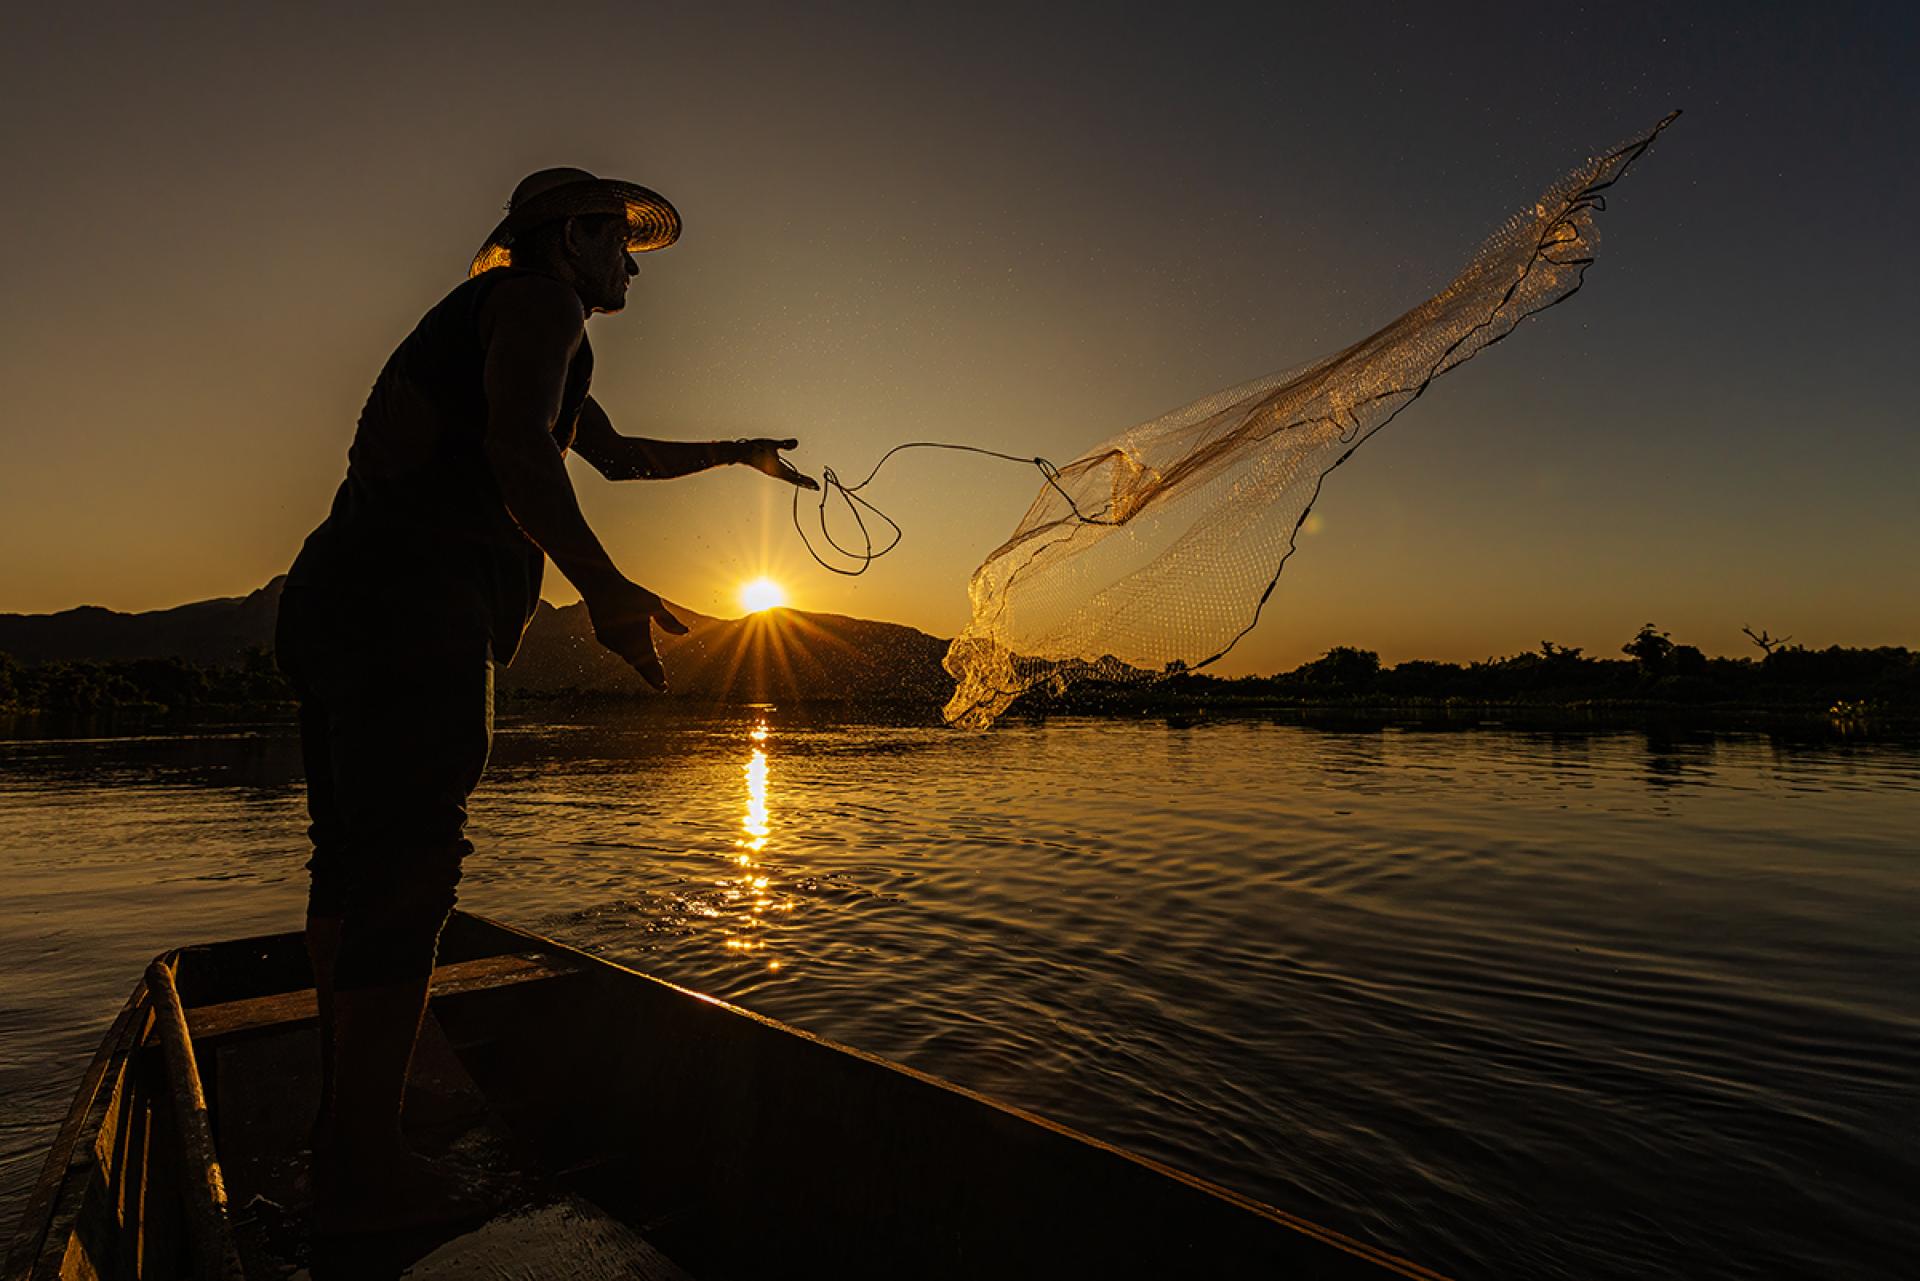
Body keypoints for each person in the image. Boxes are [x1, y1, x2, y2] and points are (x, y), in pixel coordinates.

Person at [275, 167, 815, 1233]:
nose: (630, 268)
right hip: (413, 603)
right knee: (412, 871)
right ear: (570, 237)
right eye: (620, 244)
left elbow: (608, 455)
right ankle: (363, 1167)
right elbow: (521, 451)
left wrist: (737, 453)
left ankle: (346, 1129)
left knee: (353, 865)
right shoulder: (538, 302)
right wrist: (608, 595)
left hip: (335, 595)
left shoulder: (509, 321)